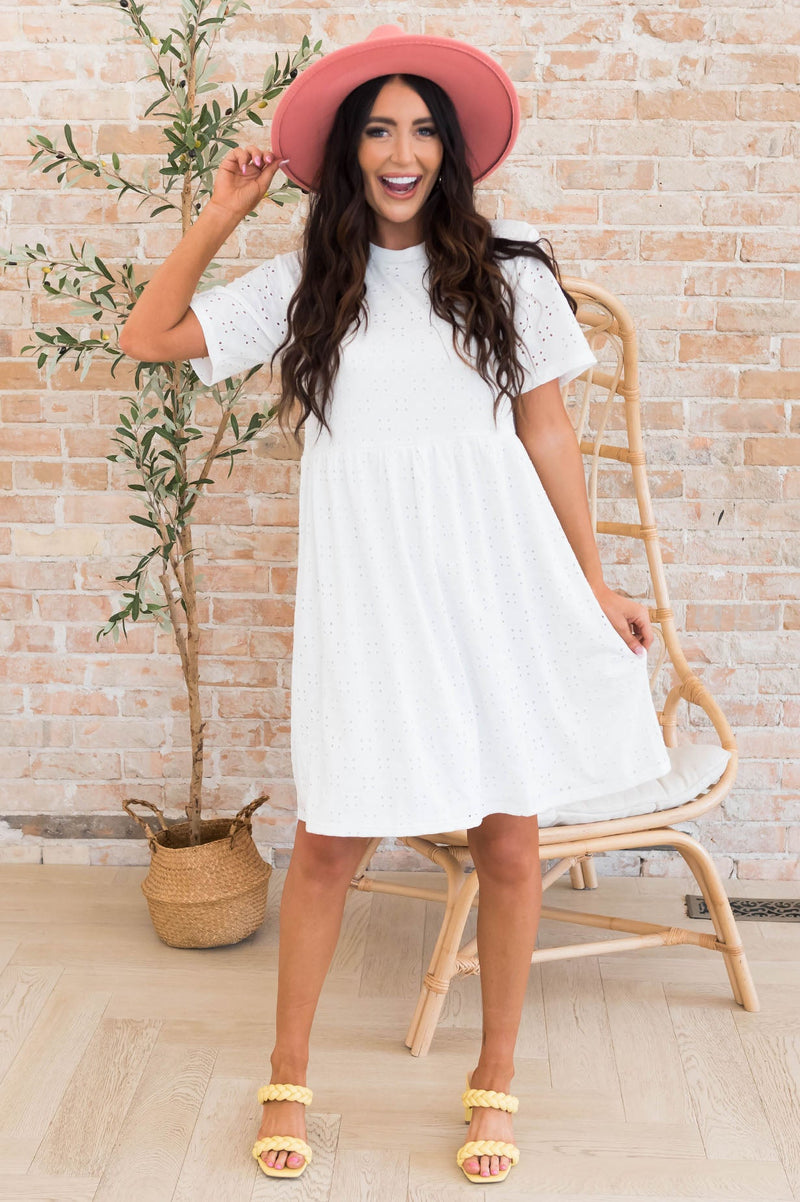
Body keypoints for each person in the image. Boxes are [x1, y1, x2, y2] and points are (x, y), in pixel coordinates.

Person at [119, 23, 672, 1186]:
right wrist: (222, 213)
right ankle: (287, 1071)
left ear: (450, 152)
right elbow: (148, 334)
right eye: (378, 131)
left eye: (422, 131)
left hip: (494, 583)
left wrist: (592, 580)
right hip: (368, 595)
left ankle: (494, 1080)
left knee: (507, 840)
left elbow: (546, 433)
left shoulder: (510, 275)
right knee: (330, 838)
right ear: (349, 153)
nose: (401, 151)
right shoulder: (308, 284)